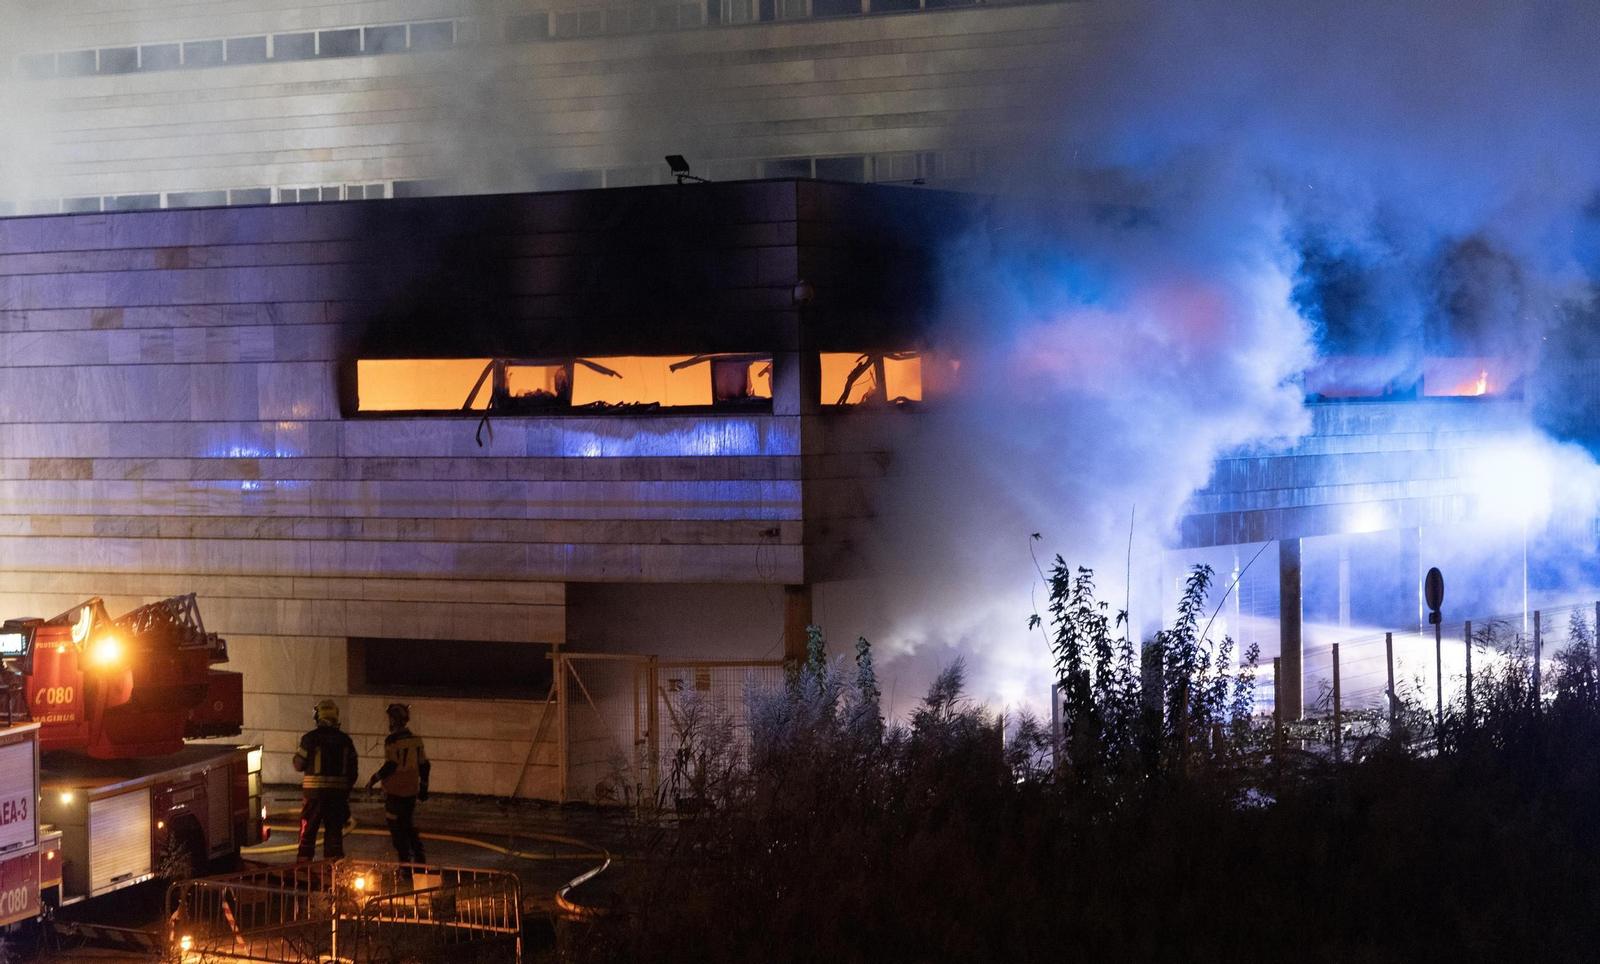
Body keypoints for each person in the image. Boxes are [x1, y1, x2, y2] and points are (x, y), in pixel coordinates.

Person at [292, 698, 359, 862]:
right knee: (334, 835)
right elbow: (353, 771)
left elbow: (298, 765)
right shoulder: (345, 741)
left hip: (314, 796)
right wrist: (344, 790)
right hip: (337, 797)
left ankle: (302, 869)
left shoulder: (309, 739)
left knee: (308, 832)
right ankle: (334, 871)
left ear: (318, 716)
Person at [366, 703, 430, 865]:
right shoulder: (416, 741)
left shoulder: (392, 741)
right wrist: (423, 787)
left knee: (397, 830)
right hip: (411, 791)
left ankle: (405, 866)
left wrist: (373, 779)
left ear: (394, 720)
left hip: (394, 792)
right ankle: (419, 857)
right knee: (407, 824)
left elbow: (391, 765)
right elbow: (424, 765)